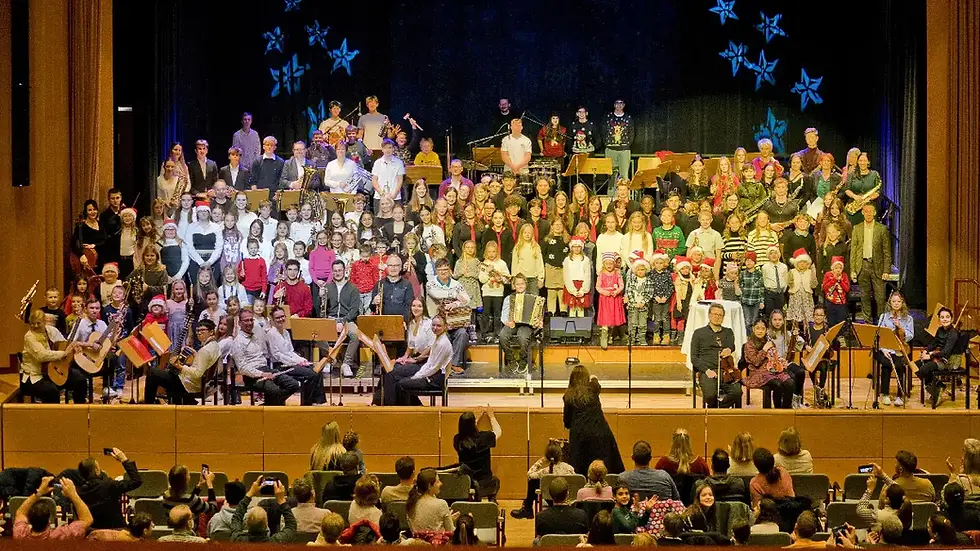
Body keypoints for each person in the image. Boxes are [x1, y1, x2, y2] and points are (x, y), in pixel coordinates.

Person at [564, 364, 625, 475]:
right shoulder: (592, 388)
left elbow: (567, 423)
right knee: (606, 470)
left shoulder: (568, 395)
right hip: (600, 434)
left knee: (581, 473)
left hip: (579, 437)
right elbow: (596, 381)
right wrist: (592, 378)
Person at [231, 309, 299, 405]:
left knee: (293, 384)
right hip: (252, 376)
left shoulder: (255, 337)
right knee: (275, 391)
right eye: (246, 320)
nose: (250, 323)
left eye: (251, 320)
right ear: (239, 323)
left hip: (266, 369)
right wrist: (262, 374)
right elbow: (242, 368)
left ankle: (267, 406)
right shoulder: (238, 342)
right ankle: (271, 408)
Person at [144, 319, 220, 404]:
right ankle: (184, 401)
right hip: (199, 382)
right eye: (197, 330)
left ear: (211, 332)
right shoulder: (215, 346)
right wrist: (195, 354)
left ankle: (148, 405)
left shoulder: (205, 351)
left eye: (203, 330)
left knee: (152, 373)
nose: (199, 333)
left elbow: (197, 374)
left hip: (190, 385)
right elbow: (205, 362)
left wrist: (179, 366)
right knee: (168, 373)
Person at [266, 306, 325, 405]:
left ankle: (317, 401)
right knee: (311, 375)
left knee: (317, 370)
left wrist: (302, 360)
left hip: (291, 364)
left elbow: (290, 351)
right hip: (281, 366)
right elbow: (277, 356)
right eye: (277, 318)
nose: (281, 319)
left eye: (282, 316)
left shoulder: (285, 332)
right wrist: (296, 362)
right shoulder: (271, 334)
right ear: (272, 319)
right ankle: (307, 403)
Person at [21, 309, 81, 403]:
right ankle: (52, 417)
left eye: (38, 323)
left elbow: (64, 344)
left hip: (53, 370)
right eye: (32, 324)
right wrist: (63, 354)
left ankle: (80, 410)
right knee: (51, 391)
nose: (35, 326)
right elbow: (42, 355)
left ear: (44, 322)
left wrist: (72, 347)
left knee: (79, 379)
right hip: (36, 375)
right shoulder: (29, 337)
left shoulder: (51, 330)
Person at [690, 303, 742, 408]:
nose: (717, 317)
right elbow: (694, 357)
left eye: (720, 315)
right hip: (708, 371)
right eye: (714, 314)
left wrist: (729, 349)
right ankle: (715, 412)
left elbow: (731, 345)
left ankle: (718, 409)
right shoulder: (699, 333)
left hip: (726, 370)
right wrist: (706, 370)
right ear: (709, 315)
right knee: (710, 395)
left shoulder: (728, 332)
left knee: (737, 392)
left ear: (723, 317)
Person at [425, 258, 471, 373]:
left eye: (445, 269)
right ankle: (439, 365)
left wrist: (455, 304)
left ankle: (454, 364)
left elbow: (467, 299)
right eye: (440, 270)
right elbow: (436, 294)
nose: (443, 272)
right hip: (437, 323)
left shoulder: (456, 284)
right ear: (436, 270)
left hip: (454, 322)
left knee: (462, 333)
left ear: (449, 270)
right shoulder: (431, 283)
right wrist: (455, 294)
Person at [77, 447, 142, 529]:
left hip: (92, 533)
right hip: (116, 532)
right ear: (97, 471)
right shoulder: (109, 485)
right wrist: (124, 460)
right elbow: (136, 481)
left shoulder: (78, 492)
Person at [512, 441, 576, 519]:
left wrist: (540, 461)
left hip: (551, 499)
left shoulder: (545, 471)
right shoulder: (569, 468)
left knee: (533, 481)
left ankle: (528, 508)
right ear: (560, 455)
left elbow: (529, 474)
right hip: (568, 499)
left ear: (547, 456)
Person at [14, 476, 92, 540]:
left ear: (28, 520)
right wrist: (73, 494)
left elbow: (21, 512)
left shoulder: (20, 534)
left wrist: (39, 492)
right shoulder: (63, 536)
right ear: (49, 521)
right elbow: (87, 519)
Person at [850, 203, 890, 322]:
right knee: (864, 297)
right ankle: (867, 324)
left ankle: (881, 324)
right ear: (862, 212)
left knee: (880, 298)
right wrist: (853, 270)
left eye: (870, 211)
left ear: (875, 213)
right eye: (866, 211)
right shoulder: (857, 228)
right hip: (862, 266)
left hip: (877, 267)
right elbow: (854, 250)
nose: (868, 213)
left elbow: (887, 252)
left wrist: (886, 270)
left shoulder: (881, 229)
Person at [743, 318, 795, 409]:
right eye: (757, 328)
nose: (760, 331)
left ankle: (786, 409)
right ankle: (777, 409)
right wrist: (764, 349)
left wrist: (779, 361)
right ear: (753, 329)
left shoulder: (769, 341)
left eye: (762, 329)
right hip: (758, 372)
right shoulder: (749, 344)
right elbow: (755, 362)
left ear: (766, 330)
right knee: (777, 384)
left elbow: (773, 357)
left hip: (772, 370)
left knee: (790, 383)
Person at [499, 274, 545, 372]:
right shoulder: (509, 298)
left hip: (526, 325)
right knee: (503, 336)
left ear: (525, 284)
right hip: (512, 323)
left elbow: (539, 315)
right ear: (514, 285)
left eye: (522, 284)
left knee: (523, 337)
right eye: (517, 284)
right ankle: (511, 359)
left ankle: (523, 361)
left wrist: (538, 321)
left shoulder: (534, 298)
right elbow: (503, 315)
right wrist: (507, 322)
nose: (520, 286)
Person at [876, 291, 914, 406]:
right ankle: (885, 394)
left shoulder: (908, 318)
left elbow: (910, 335)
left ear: (902, 303)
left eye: (899, 301)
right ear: (890, 303)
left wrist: (900, 329)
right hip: (886, 349)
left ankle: (900, 395)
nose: (896, 304)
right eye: (894, 301)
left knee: (899, 365)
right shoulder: (884, 317)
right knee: (887, 364)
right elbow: (879, 334)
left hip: (900, 349)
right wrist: (884, 349)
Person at [453, 409, 501, 499]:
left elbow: (468, 433)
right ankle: (492, 500)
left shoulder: (457, 440)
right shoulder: (484, 438)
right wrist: (492, 417)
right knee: (496, 480)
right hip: (484, 480)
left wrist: (475, 420)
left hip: (466, 480)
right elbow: (498, 432)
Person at [230, 478, 296, 543]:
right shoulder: (276, 542)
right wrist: (281, 500)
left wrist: (250, 493)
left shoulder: (238, 540)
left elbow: (237, 517)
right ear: (266, 524)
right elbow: (291, 526)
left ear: (246, 524)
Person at [918, 306, 959, 408]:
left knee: (924, 369)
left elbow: (946, 352)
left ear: (952, 319)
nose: (945, 319)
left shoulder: (953, 333)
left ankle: (937, 387)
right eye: (942, 317)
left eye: (947, 317)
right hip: (939, 357)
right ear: (939, 319)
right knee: (917, 366)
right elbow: (933, 344)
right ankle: (938, 387)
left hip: (949, 361)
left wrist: (931, 355)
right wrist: (926, 351)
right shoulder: (940, 330)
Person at [406, 469, 456, 533]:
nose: (441, 483)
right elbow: (451, 531)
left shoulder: (411, 503)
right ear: (429, 486)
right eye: (438, 482)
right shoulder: (441, 504)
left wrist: (448, 520)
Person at [603, 99, 634, 191]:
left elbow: (631, 133)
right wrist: (607, 144)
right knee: (611, 174)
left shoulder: (628, 118)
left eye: (621, 103)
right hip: (611, 149)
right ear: (614, 105)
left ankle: (624, 196)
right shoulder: (608, 117)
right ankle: (611, 197)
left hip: (624, 149)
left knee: (624, 176)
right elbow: (603, 131)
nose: (619, 105)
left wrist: (627, 145)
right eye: (617, 103)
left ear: (624, 105)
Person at [371, 139, 406, 211]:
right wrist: (381, 193)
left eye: (390, 147)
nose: (388, 150)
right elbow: (374, 180)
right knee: (379, 219)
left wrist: (394, 194)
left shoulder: (399, 163)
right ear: (382, 149)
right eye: (385, 148)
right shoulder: (377, 163)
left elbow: (400, 180)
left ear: (393, 149)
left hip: (395, 197)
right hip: (379, 197)